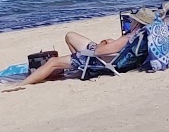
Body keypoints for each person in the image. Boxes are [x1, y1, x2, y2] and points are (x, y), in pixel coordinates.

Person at [18, 14, 152, 85]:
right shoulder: (140, 37)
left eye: (133, 20)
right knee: (70, 36)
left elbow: (99, 51)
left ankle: (23, 84)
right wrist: (109, 43)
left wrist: (104, 42)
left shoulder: (127, 38)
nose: (131, 21)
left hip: (98, 60)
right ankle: (78, 68)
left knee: (53, 61)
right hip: (110, 57)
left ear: (137, 23)